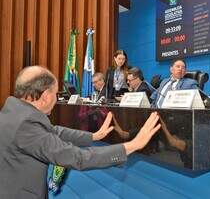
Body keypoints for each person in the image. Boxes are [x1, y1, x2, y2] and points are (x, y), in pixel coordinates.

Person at [0, 66, 161, 198]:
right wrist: (132, 145)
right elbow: (78, 158)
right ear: (46, 96)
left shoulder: (13, 113)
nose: (56, 99)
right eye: (56, 94)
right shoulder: (26, 124)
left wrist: (93, 136)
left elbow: (54, 131)